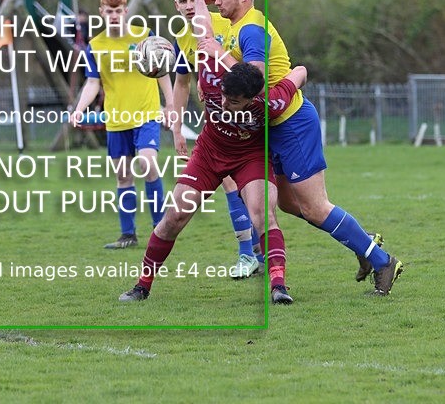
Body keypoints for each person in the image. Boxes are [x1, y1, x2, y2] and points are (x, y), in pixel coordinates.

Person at [208, 0, 403, 295]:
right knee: (286, 203)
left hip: (293, 124)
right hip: (272, 127)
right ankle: (362, 241)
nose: (216, 2)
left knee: (315, 206)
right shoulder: (236, 25)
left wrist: (220, 56)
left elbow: (253, 79)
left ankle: (383, 262)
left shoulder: (251, 29)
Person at [119, 17, 306, 303]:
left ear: (251, 97)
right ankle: (142, 285)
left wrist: (292, 73)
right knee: (174, 217)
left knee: (262, 215)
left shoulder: (271, 102)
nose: (225, 103)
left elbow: (300, 72)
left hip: (250, 156)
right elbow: (203, 31)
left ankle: (278, 286)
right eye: (223, 97)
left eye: (233, 101)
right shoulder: (217, 79)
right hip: (208, 153)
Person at [171, 0, 264, 278]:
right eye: (183, 1)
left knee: (294, 199)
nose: (188, 6)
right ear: (176, 5)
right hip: (219, 123)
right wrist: (176, 127)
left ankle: (256, 252)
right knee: (230, 182)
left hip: (253, 119)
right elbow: (182, 83)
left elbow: (249, 69)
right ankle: (248, 254)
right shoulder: (183, 38)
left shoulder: (225, 23)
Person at [70, 0, 174, 249]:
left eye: (118, 11)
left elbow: (161, 71)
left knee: (148, 163)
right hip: (116, 118)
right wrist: (79, 108)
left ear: (125, 11)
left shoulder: (143, 35)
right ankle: (128, 235)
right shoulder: (95, 45)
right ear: (101, 13)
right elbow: (93, 82)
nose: (114, 15)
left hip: (146, 112)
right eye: (109, 11)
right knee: (123, 176)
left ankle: (160, 228)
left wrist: (170, 104)